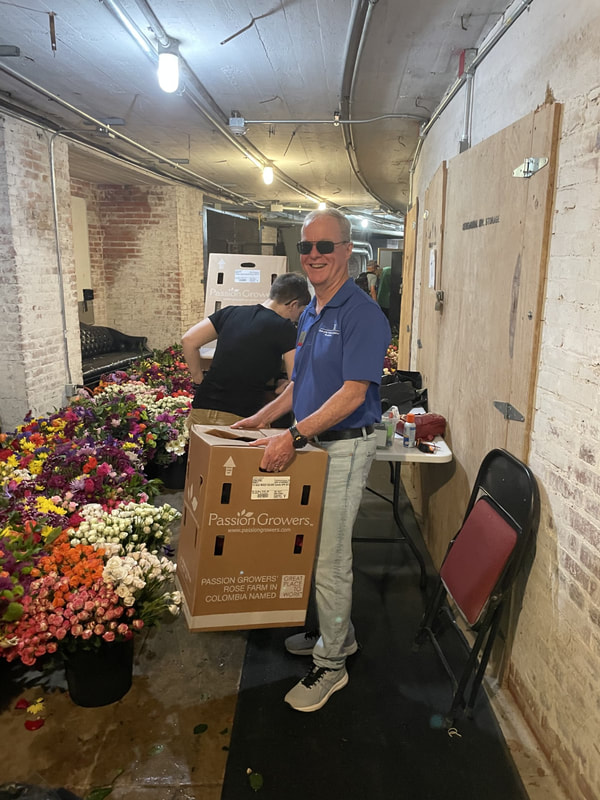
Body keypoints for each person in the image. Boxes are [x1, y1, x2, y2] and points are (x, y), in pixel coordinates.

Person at [232, 209, 390, 712]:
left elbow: (352, 393)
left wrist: (294, 435)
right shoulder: (312, 311)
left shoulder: (361, 314)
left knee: (330, 559)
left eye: (326, 246)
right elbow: (301, 384)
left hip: (343, 445)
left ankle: (332, 666)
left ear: (347, 250)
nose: (316, 255)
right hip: (316, 443)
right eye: (307, 247)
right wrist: (262, 419)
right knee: (315, 550)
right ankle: (337, 636)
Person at [181, 272, 311, 427]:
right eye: (300, 312)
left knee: (198, 452)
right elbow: (295, 380)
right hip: (240, 417)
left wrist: (198, 380)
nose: (297, 318)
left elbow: (188, 340)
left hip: (201, 409)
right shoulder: (285, 327)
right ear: (293, 304)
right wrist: (281, 386)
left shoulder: (230, 312)